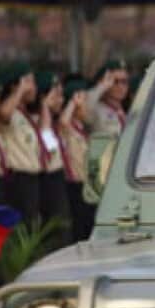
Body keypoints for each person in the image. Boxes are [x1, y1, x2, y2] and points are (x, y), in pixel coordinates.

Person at [0, 65, 43, 224]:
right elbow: (3, 113)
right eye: (29, 82)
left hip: (35, 178)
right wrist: (20, 90)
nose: (34, 88)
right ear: (15, 86)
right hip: (19, 179)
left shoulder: (29, 117)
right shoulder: (12, 113)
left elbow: (50, 144)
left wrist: (45, 106)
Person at [35, 72, 71, 249]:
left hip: (60, 179)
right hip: (49, 182)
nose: (61, 100)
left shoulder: (56, 123)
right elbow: (48, 145)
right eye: (55, 95)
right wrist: (44, 107)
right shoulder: (39, 122)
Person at [58, 78, 94, 242]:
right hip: (73, 185)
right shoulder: (67, 127)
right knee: (78, 230)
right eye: (84, 101)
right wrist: (73, 102)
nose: (87, 106)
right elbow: (63, 122)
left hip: (86, 185)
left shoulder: (81, 128)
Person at [84, 60, 129, 138]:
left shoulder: (125, 111)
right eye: (115, 81)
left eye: (124, 81)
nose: (121, 86)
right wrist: (102, 86)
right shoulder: (97, 109)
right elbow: (84, 109)